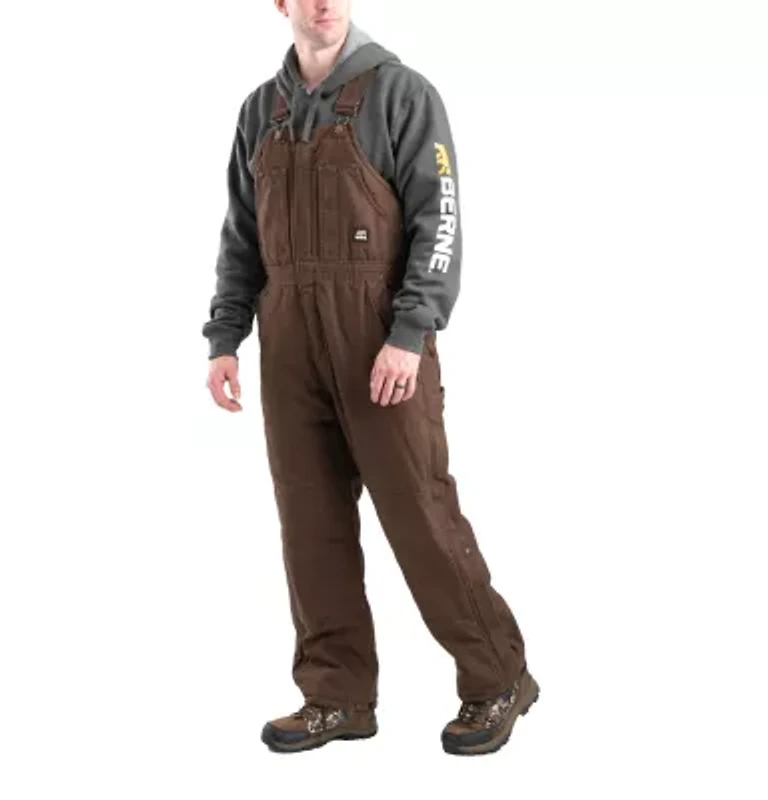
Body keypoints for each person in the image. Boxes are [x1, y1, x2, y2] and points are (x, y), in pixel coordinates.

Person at [202, 0, 539, 756]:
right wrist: (225, 336)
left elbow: (438, 222)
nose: (323, 2)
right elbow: (241, 235)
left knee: (419, 514)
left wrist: (410, 333)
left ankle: (499, 676)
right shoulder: (260, 112)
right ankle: (336, 696)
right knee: (310, 523)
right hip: (288, 342)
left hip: (379, 340)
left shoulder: (403, 93)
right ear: (282, 5)